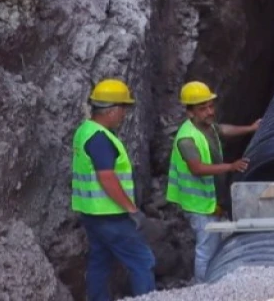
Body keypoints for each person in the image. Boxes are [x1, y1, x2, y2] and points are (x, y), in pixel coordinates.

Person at [166, 81, 260, 283]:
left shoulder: (206, 127)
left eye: (210, 106)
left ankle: (212, 282)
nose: (210, 112)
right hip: (197, 203)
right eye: (203, 108)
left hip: (209, 201)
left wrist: (251, 128)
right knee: (206, 248)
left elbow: (223, 130)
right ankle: (203, 287)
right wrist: (231, 166)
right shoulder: (187, 138)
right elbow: (197, 169)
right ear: (190, 113)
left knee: (213, 244)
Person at [70, 79, 156, 301]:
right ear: (112, 110)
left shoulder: (84, 131)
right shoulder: (100, 138)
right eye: (123, 108)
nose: (124, 115)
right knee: (142, 261)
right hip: (110, 215)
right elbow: (106, 178)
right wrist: (131, 209)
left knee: (100, 261)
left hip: (91, 213)